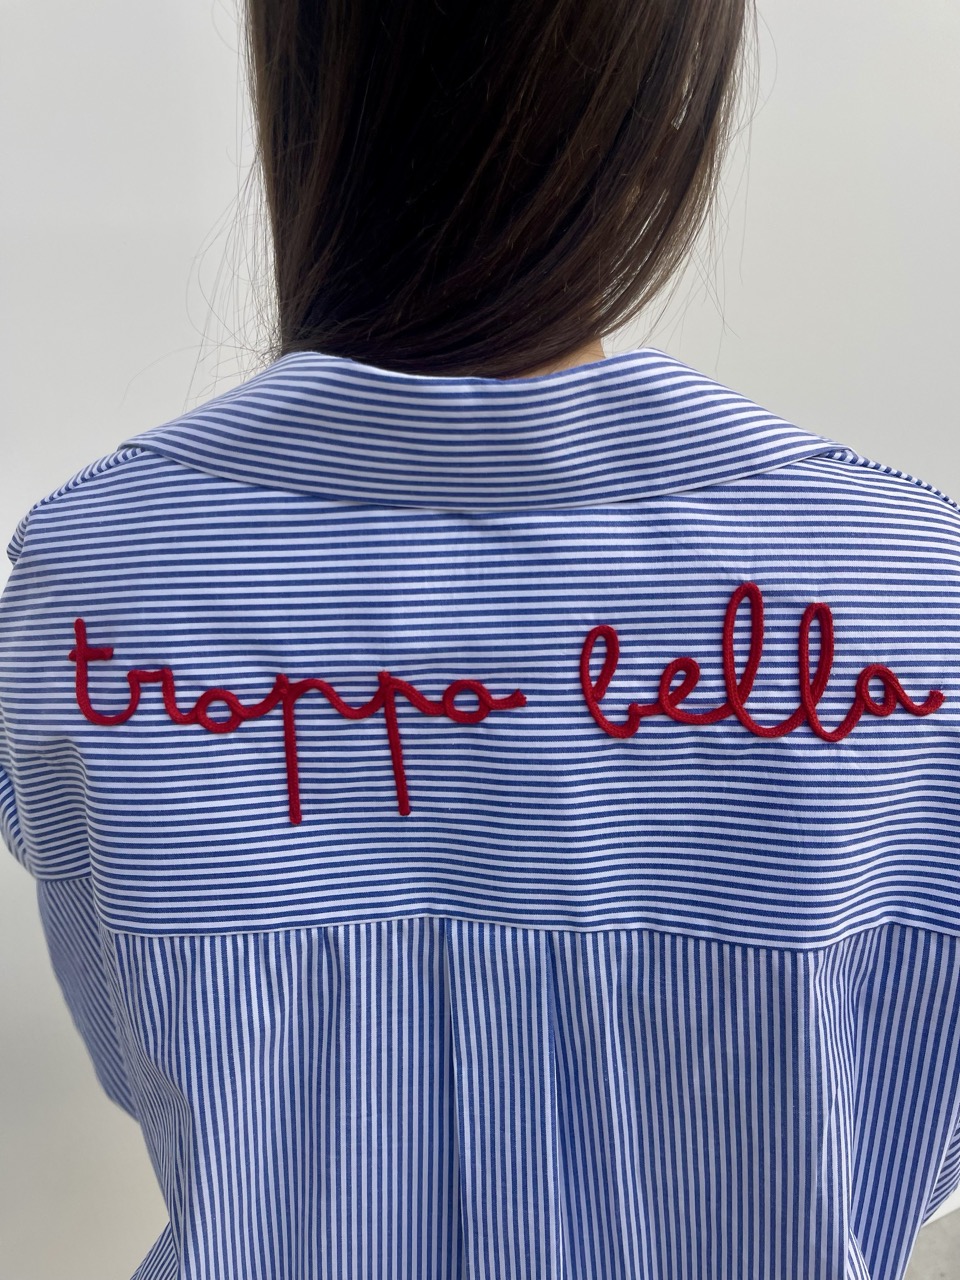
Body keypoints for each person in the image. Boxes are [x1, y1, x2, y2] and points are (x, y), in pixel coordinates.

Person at [1, 2, 959, 1278]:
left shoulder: (98, 580)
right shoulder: (912, 588)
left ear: (298, 83)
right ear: (668, 102)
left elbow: (153, 1062)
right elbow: (902, 1132)